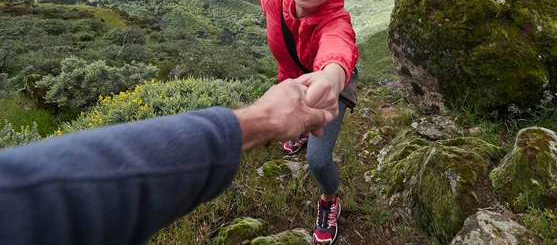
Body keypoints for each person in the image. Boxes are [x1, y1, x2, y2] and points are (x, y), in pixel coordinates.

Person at [0, 79, 333, 245]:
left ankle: (329, 198)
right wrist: (259, 121)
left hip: (317, 92)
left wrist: (332, 74)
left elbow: (44, 194)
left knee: (318, 159)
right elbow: (51, 195)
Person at [242, 0, 358, 245]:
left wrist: (330, 79)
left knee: (318, 160)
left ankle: (329, 200)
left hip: (330, 88)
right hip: (292, 85)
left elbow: (338, 47)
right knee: (298, 125)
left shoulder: (335, 20)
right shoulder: (275, 2)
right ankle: (301, 131)